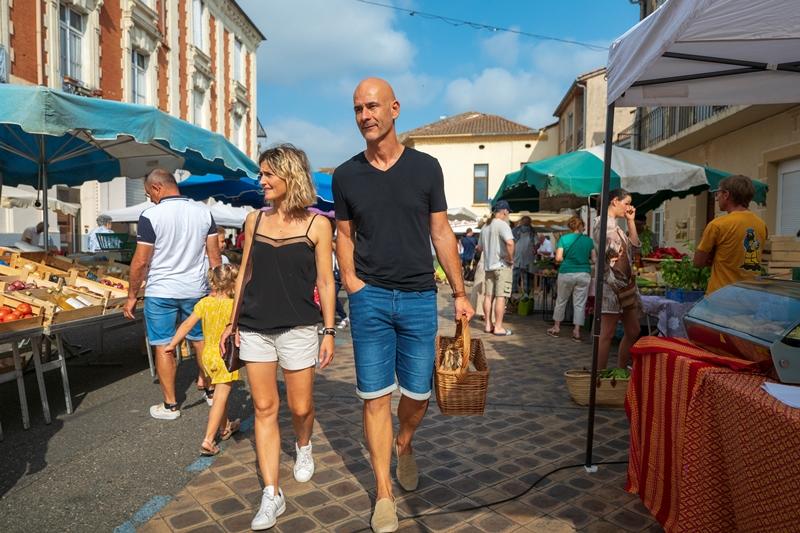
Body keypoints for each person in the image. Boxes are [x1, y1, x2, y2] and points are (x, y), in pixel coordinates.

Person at [333, 77, 473, 533]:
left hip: (417, 298)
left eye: (372, 106)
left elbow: (441, 232)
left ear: (394, 109)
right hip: (369, 299)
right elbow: (344, 235)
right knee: (375, 398)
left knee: (417, 394)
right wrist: (352, 283)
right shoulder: (345, 174)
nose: (364, 116)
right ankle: (384, 493)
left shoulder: (426, 168)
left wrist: (460, 292)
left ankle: (405, 444)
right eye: (357, 109)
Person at [220, 144, 335, 531]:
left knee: (300, 408)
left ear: (290, 175)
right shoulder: (254, 220)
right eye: (261, 174)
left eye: (268, 174)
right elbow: (243, 275)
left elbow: (325, 281)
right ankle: (272, 493)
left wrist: (329, 330)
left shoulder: (317, 224)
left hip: (299, 327)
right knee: (264, 410)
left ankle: (304, 445)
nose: (262, 180)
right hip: (254, 327)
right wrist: (231, 322)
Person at [123, 169, 222, 420]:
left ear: (157, 188)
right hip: (196, 288)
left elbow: (140, 261)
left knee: (164, 345)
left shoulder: (151, 215)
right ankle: (211, 392)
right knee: (201, 340)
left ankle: (171, 406)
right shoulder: (203, 212)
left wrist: (132, 295)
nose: (150, 199)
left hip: (161, 290)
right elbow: (214, 257)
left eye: (149, 194)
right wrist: (217, 289)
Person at [165, 264, 241, 455]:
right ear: (234, 284)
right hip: (225, 355)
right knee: (220, 398)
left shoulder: (205, 303)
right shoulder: (235, 307)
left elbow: (187, 325)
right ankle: (208, 439)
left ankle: (226, 428)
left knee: (218, 395)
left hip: (207, 356)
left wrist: (172, 344)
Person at [693, 175, 768, 294]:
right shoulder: (761, 225)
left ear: (726, 194)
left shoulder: (717, 224)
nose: (716, 198)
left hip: (721, 297)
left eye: (717, 193)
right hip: (750, 297)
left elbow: (698, 262)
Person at [593, 189, 641, 370]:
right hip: (610, 286)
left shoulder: (617, 226)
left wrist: (631, 222)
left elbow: (635, 248)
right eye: (626, 202)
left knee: (633, 330)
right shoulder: (602, 223)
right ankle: (598, 378)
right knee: (607, 332)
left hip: (624, 286)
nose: (629, 207)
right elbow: (612, 253)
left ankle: (621, 371)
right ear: (615, 201)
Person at [548, 216, 596, 342]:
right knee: (579, 304)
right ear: (581, 226)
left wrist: (568, 260)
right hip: (584, 274)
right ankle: (576, 331)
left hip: (566, 273)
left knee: (561, 300)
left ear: (570, 226)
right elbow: (594, 260)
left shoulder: (564, 239)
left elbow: (558, 258)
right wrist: (584, 260)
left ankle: (556, 327)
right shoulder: (589, 241)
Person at [476, 201, 515, 336]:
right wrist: (510, 258)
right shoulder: (502, 224)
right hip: (502, 265)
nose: (508, 215)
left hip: (489, 266)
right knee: (500, 297)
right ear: (504, 211)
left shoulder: (485, 227)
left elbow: (479, 248)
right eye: (508, 212)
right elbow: (510, 243)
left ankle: (488, 325)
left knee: (488, 296)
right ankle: (498, 327)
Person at [512, 216, 534, 296]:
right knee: (525, 279)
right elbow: (537, 244)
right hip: (525, 259)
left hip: (518, 257)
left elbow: (511, 243)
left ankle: (514, 297)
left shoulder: (515, 230)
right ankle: (525, 295)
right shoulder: (532, 231)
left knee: (515, 278)